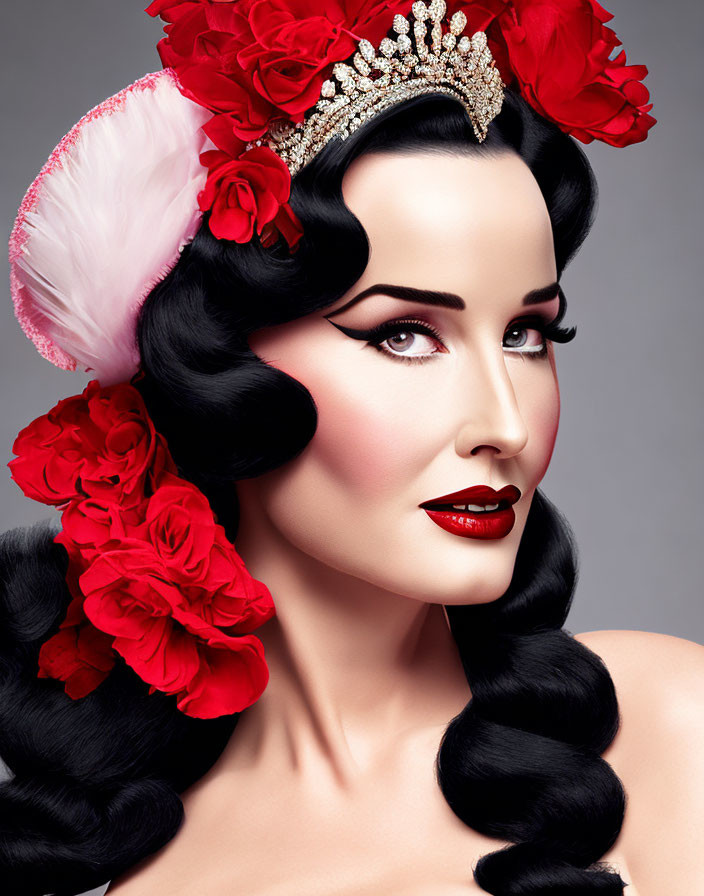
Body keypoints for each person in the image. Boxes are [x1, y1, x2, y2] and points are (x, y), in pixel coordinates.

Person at [1, 2, 702, 895]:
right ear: (219, 370)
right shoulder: (146, 866)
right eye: (405, 334)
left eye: (528, 334)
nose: (506, 424)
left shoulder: (674, 736)